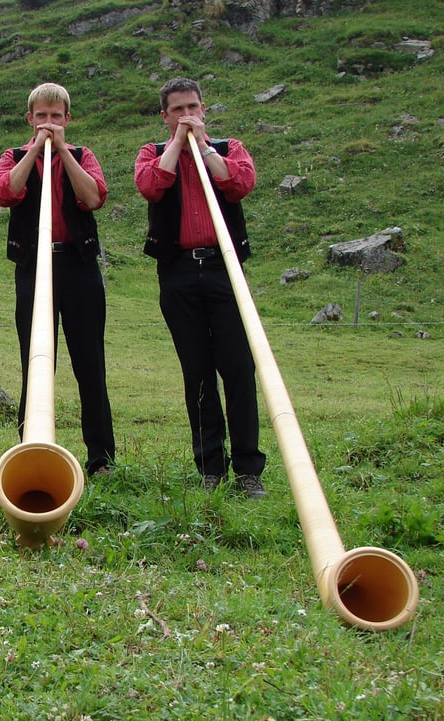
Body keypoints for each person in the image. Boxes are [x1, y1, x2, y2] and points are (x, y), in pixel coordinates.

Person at [134, 77, 266, 497]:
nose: (187, 116)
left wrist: (204, 147)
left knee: (240, 369)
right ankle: (210, 468)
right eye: (177, 110)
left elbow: (240, 183)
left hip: (226, 271)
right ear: (164, 116)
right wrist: (177, 144)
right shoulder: (153, 153)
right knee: (198, 371)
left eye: (192, 108)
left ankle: (248, 470)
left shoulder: (229, 148)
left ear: (204, 109)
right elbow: (151, 187)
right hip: (178, 274)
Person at [0, 82, 116, 477]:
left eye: (56, 117)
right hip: (32, 266)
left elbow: (94, 197)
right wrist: (33, 153)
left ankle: (101, 459)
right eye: (41, 116)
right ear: (30, 119)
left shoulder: (82, 155)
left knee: (90, 363)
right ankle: (30, 450)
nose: (48, 123)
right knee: (35, 360)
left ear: (67, 119)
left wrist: (61, 150)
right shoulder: (12, 156)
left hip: (77, 266)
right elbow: (5, 192)